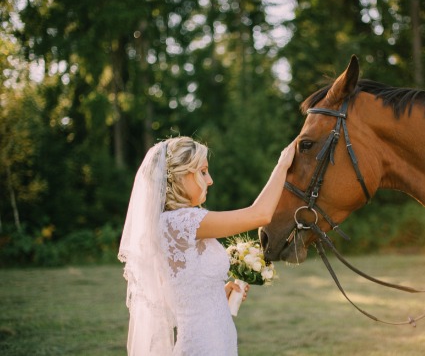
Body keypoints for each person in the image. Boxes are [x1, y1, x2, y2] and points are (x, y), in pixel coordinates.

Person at [118, 136, 295, 355]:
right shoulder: (181, 221)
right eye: (203, 171)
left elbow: (181, 289)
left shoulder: (173, 223)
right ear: (181, 176)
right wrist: (283, 164)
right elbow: (260, 214)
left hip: (217, 343)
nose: (210, 180)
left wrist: (220, 294)